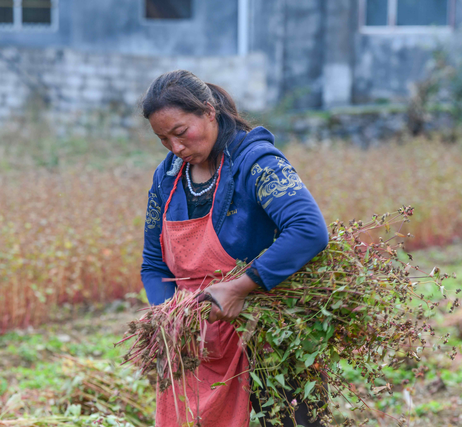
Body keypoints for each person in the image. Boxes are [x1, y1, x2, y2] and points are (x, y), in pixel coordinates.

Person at [140, 70, 329, 427]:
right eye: (163, 139)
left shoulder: (257, 163)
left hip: (267, 338)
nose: (176, 148)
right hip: (199, 348)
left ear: (209, 112)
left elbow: (309, 230)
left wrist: (239, 288)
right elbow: (153, 264)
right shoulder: (166, 178)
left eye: (181, 133)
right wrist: (171, 319)